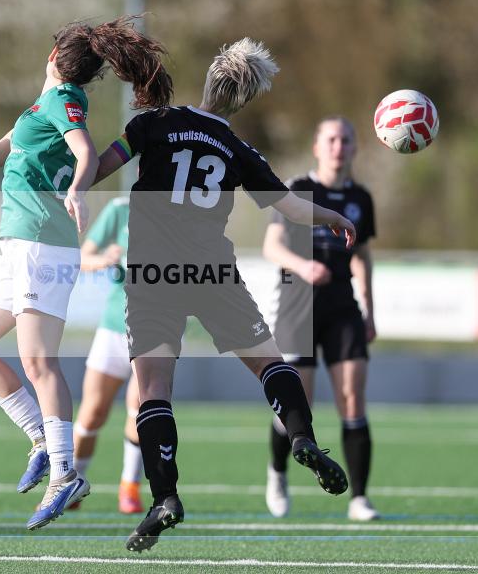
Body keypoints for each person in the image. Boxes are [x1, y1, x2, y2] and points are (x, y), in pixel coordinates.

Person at [0, 16, 172, 530]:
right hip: (19, 248)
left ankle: (66, 471)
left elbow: (85, 151)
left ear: (54, 56)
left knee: (37, 361)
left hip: (43, 246)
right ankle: (41, 441)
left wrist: (76, 188)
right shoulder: (41, 104)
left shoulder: (62, 99)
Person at [94, 38, 356, 552]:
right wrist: (334, 216)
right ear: (243, 101)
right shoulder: (238, 150)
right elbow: (291, 208)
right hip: (212, 269)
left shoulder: (155, 122)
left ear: (210, 80)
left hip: (153, 273)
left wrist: (67, 168)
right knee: (269, 364)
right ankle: (301, 438)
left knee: (153, 389)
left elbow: (101, 166)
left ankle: (165, 497)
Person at [262, 116, 379, 521]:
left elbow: (361, 256)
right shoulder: (299, 190)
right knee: (299, 402)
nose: (338, 146)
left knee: (353, 396)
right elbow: (272, 246)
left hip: (343, 307)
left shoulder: (361, 198)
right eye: (330, 139)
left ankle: (360, 498)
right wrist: (302, 266)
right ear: (317, 146)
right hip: (298, 306)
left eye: (346, 139)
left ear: (355, 147)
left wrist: (369, 308)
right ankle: (277, 474)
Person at [69, 195, 145, 514]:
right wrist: (105, 259)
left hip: (158, 329)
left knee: (140, 409)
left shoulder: (182, 212)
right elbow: (83, 258)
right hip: (115, 325)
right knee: (92, 412)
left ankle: (130, 487)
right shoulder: (119, 210)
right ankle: (72, 483)